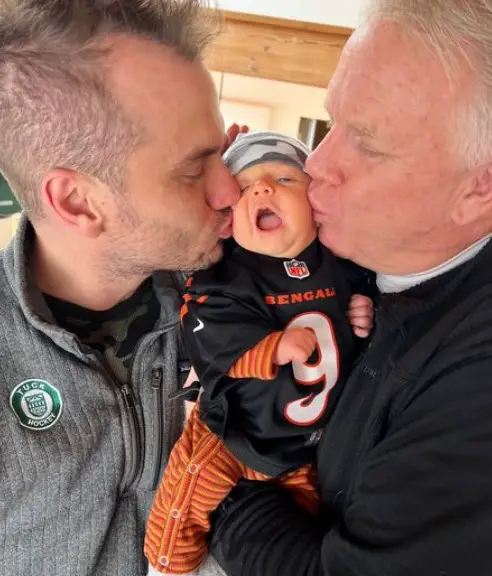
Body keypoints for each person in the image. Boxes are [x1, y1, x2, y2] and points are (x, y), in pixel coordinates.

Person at [205, 1, 492, 575]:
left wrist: (226, 495)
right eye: (332, 122)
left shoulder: (476, 378)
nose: (317, 165)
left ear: (480, 189)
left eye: (367, 141)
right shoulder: (355, 253)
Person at [0, 2, 241, 575]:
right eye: (193, 168)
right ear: (78, 202)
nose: (230, 189)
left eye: (223, 153)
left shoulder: (241, 298)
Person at [144, 131, 374, 575]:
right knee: (188, 493)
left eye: (285, 178)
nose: (264, 188)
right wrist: (270, 346)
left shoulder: (341, 262)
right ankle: (168, 566)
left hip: (305, 445)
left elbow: (359, 311)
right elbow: (207, 327)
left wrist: (361, 314)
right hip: (234, 430)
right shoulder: (227, 274)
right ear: (231, 219)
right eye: (247, 187)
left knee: (307, 519)